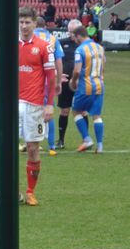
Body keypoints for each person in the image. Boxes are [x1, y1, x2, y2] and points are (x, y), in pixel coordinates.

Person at [17, 6, 55, 206]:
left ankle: (30, 191)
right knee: (5, 149)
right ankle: (10, 190)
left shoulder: (43, 46)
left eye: (27, 22)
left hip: (34, 105)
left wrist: (49, 105)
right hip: (11, 105)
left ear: (34, 23)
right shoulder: (9, 44)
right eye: (21, 22)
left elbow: (51, 76)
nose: (24, 26)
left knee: (33, 148)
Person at [68, 23, 105, 153]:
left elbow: (77, 71)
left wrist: (73, 81)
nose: (74, 40)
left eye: (74, 37)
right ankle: (100, 146)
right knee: (97, 115)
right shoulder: (100, 47)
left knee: (76, 111)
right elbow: (103, 66)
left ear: (79, 36)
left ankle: (87, 139)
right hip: (99, 85)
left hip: (85, 87)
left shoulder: (80, 50)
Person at [56, 19, 88, 151]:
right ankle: (61, 140)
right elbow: (55, 59)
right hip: (65, 81)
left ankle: (85, 139)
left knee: (83, 111)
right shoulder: (61, 43)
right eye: (69, 31)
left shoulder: (85, 46)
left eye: (73, 32)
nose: (71, 35)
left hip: (81, 82)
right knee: (64, 110)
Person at [34, 17, 63, 156]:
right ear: (45, 25)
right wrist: (58, 81)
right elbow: (59, 60)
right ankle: (51, 145)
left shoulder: (30, 37)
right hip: (48, 79)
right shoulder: (53, 38)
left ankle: (33, 143)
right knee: (48, 111)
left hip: (33, 79)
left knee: (31, 111)